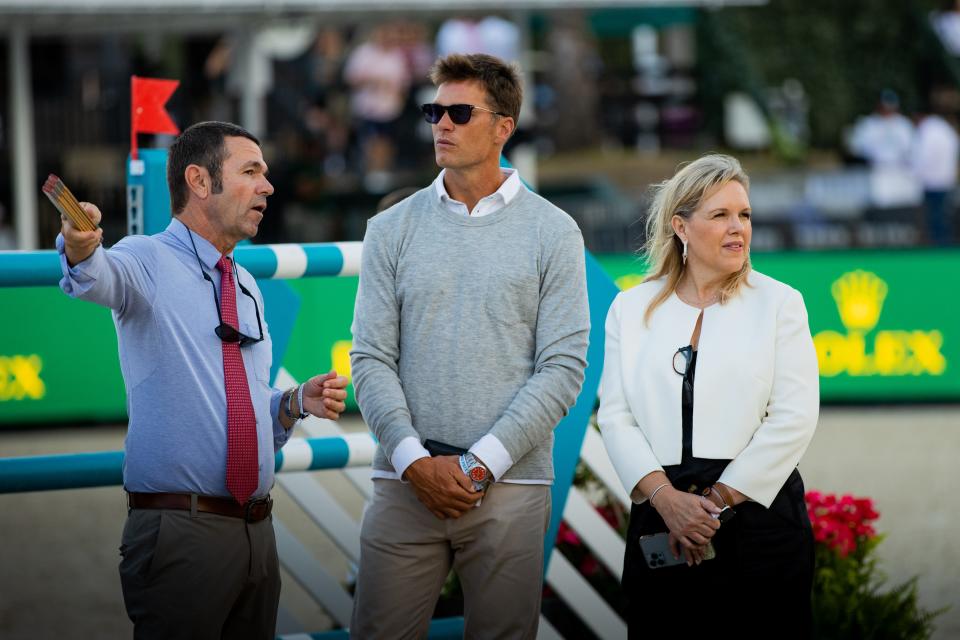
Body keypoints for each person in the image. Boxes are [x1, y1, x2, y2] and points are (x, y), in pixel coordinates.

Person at [57, 121, 349, 640]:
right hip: (180, 534)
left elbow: (246, 409)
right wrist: (78, 243)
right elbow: (94, 274)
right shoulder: (145, 258)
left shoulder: (248, 284)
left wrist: (293, 403)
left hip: (258, 532)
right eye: (251, 171)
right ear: (198, 180)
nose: (268, 186)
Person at [349, 53, 589, 639]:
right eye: (435, 111)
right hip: (404, 485)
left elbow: (562, 367)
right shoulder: (389, 229)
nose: (442, 124)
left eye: (459, 111)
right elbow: (370, 358)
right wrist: (412, 461)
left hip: (512, 487)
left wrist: (481, 464)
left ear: (504, 126)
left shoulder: (555, 230)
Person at [598, 154, 819, 637]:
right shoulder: (629, 308)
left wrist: (712, 502)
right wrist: (668, 502)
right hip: (661, 513)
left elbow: (794, 418)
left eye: (744, 215)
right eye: (720, 215)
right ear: (681, 225)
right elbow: (616, 417)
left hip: (759, 517)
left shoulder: (780, 303)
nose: (738, 227)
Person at [911, 100, 959, 245]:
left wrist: (913, 174)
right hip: (947, 180)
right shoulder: (945, 128)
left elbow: (921, 157)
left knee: (935, 220)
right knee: (944, 218)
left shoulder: (927, 130)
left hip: (932, 182)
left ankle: (939, 248)